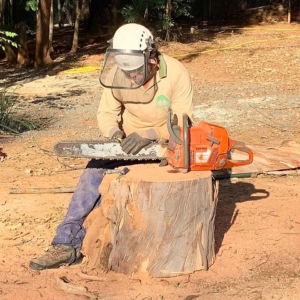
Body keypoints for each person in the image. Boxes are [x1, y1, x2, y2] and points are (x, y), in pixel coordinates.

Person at [29, 23, 194, 270]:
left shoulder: (176, 73)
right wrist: (114, 133)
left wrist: (151, 134)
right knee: (93, 174)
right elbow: (106, 113)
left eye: (137, 70)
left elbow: (183, 122)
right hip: (126, 144)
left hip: (163, 145)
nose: (132, 76)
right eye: (128, 71)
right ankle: (66, 243)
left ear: (151, 57)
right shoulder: (119, 73)